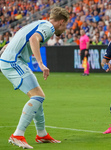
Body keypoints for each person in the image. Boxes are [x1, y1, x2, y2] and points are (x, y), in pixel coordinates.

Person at [0, 7, 69, 149]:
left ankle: (42, 134)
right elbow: (33, 38)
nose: (65, 28)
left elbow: (23, 34)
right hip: (13, 62)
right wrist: (41, 64)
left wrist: (9, 45)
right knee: (37, 96)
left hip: (14, 60)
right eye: (66, 25)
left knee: (38, 97)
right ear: (61, 22)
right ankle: (17, 135)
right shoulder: (49, 27)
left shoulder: (41, 22)